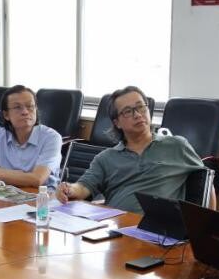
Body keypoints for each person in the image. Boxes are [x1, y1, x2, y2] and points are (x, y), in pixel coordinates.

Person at [56, 86, 210, 213]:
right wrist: (69, 189)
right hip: (116, 227)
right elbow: (84, 186)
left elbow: (206, 185)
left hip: (161, 232)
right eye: (128, 111)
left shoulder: (176, 146)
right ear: (117, 123)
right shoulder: (106, 158)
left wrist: (204, 230)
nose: (137, 115)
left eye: (141, 107)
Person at [0, 85, 63, 188]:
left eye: (30, 106)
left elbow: (37, 179)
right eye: (18, 107)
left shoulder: (51, 137)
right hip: (7, 194)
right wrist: (19, 176)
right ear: (6, 115)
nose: (25, 112)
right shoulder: (0, 134)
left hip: (42, 195)